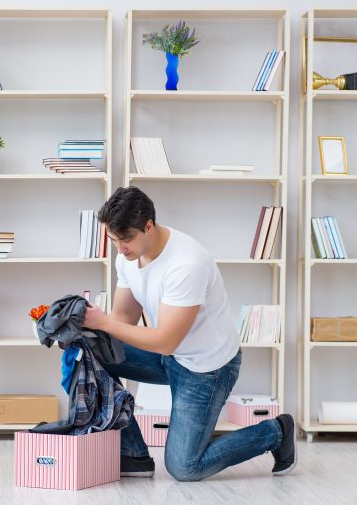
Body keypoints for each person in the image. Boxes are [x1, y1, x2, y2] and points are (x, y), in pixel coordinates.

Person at [84, 186, 296, 480]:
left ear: (149, 225)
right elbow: (123, 319)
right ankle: (133, 455)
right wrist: (82, 327)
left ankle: (276, 431)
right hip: (167, 355)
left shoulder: (186, 264)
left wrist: (103, 324)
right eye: (114, 240)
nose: (120, 249)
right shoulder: (128, 257)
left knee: (184, 468)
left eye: (127, 239)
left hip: (206, 369)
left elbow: (166, 342)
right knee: (87, 350)